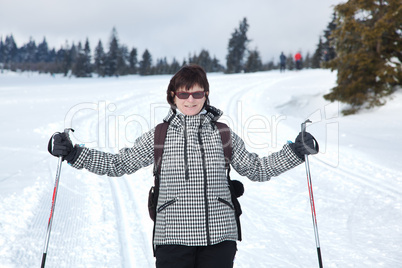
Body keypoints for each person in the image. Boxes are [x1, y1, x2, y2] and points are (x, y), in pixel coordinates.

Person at [49, 64, 318, 268]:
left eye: (197, 93)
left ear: (206, 95)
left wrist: (295, 151)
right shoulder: (160, 136)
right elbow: (119, 163)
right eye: (184, 93)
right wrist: (73, 154)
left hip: (220, 239)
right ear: (173, 96)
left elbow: (257, 169)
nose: (191, 99)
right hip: (172, 239)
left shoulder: (223, 133)